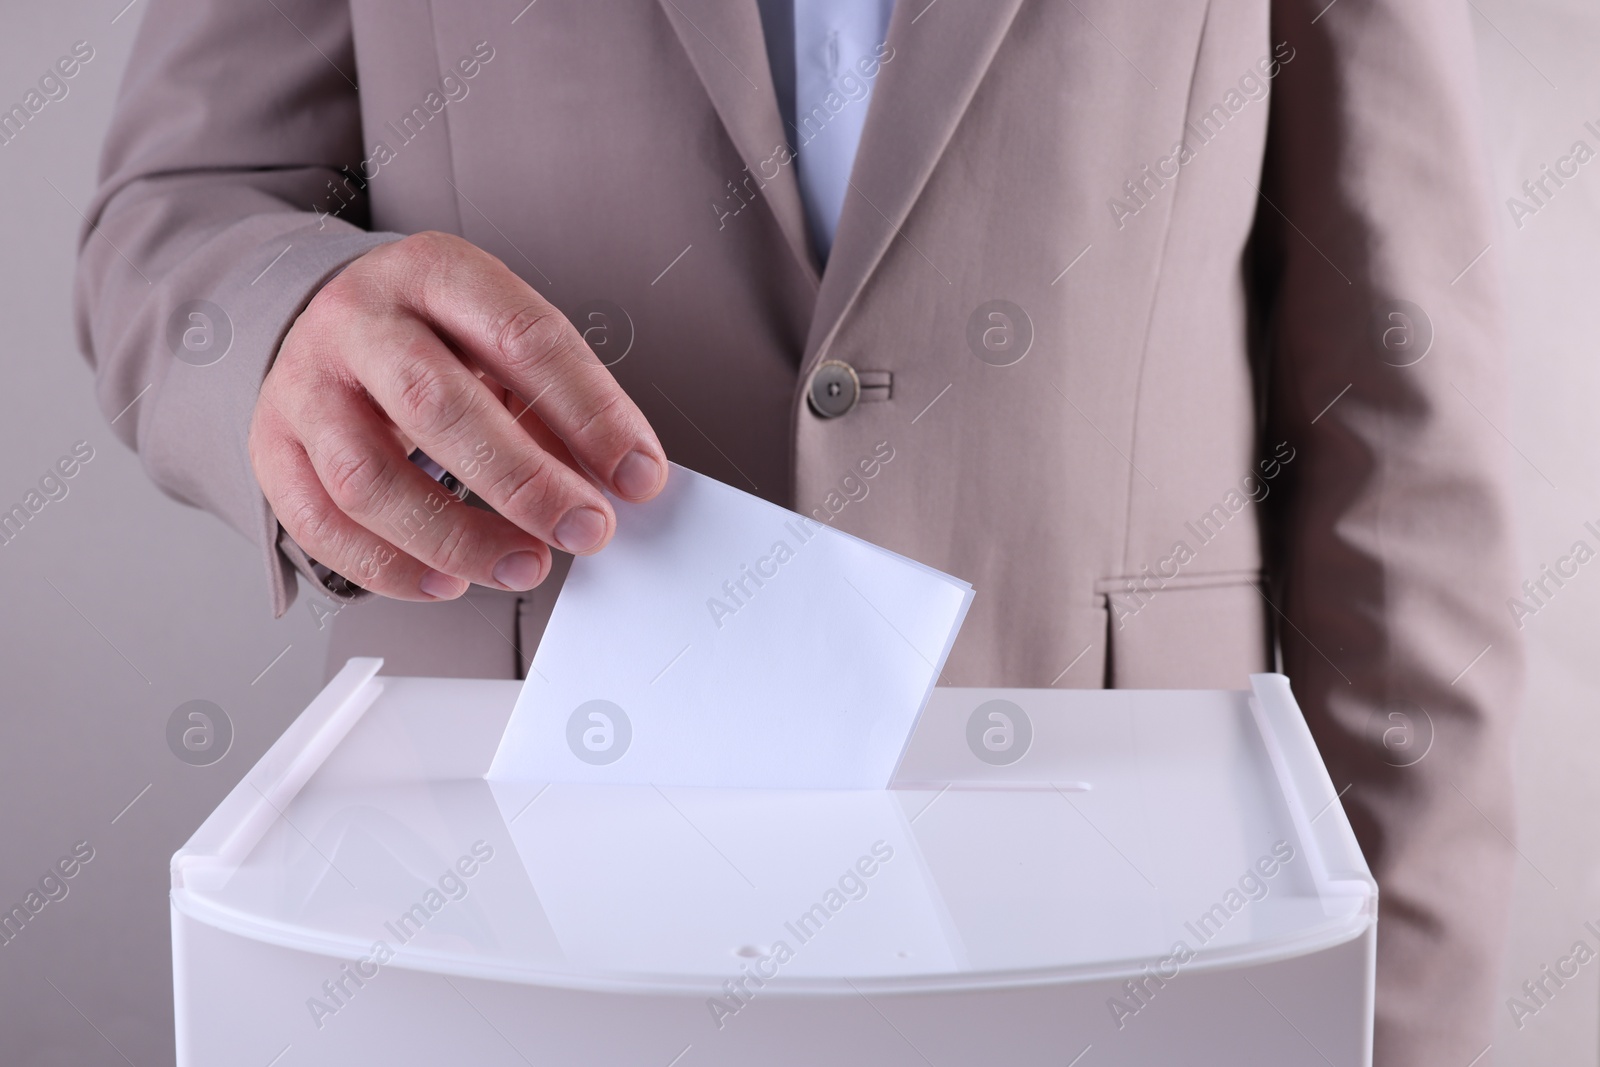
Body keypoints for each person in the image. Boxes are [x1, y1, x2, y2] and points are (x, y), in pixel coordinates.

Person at [75, 1, 1520, 1063]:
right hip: (482, 932)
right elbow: (179, 207)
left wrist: (1407, 1028)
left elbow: (1399, 420)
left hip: (1136, 947)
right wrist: (278, 332)